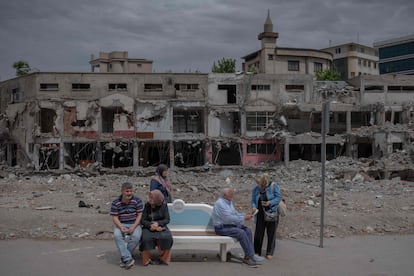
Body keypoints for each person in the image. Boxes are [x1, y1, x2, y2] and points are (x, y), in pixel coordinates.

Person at [212, 186, 265, 267]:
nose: (233, 195)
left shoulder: (228, 202)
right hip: (221, 227)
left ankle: (248, 256)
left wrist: (244, 215)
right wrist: (243, 218)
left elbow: (234, 213)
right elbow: (228, 218)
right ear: (224, 195)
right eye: (231, 194)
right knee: (241, 232)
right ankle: (251, 255)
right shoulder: (220, 203)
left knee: (248, 230)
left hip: (228, 225)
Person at [110, 182, 144, 269]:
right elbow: (115, 217)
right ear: (122, 192)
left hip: (134, 223)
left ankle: (125, 257)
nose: (129, 193)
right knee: (117, 235)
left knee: (136, 237)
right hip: (122, 223)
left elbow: (139, 215)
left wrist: (133, 227)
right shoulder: (115, 202)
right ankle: (128, 258)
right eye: (127, 191)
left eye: (130, 191)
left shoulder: (137, 200)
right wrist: (120, 227)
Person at [251, 173, 282, 260]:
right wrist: (253, 207)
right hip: (260, 212)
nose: (258, 185)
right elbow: (253, 200)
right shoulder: (256, 189)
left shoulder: (273, 186)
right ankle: (257, 251)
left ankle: (270, 252)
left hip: (271, 212)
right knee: (258, 233)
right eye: (257, 183)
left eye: (260, 183)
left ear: (265, 182)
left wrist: (270, 202)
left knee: (271, 233)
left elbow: (278, 197)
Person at [140, 189, 173, 266]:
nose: (150, 200)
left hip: (160, 226)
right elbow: (143, 220)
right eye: (150, 197)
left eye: (152, 198)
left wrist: (158, 224)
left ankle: (164, 259)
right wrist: (150, 225)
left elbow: (167, 219)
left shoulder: (164, 205)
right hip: (149, 227)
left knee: (166, 238)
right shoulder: (147, 205)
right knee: (145, 239)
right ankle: (147, 259)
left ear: (157, 198)